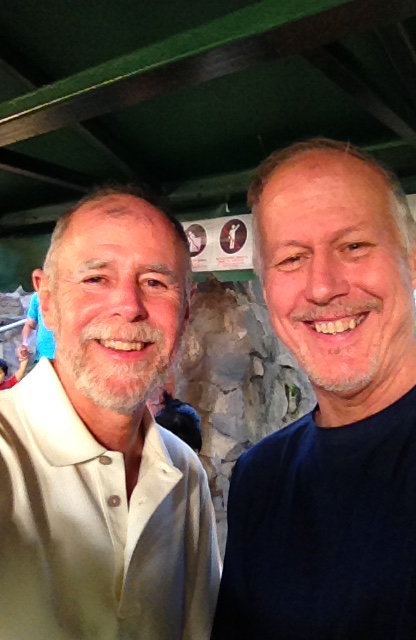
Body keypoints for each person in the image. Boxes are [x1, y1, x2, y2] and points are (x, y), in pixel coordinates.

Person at [212, 139, 416, 639]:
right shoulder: (259, 477)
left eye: (353, 246)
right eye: (291, 258)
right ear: (266, 288)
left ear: (413, 262)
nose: (322, 286)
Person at [0, 185, 220, 640]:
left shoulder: (184, 473)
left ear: (185, 311)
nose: (129, 307)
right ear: (47, 301)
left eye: (155, 283)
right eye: (96, 278)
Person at [18, 289, 56, 362]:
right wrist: (25, 344)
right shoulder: (37, 296)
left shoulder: (75, 295)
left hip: (70, 359)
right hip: (43, 358)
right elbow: (29, 326)